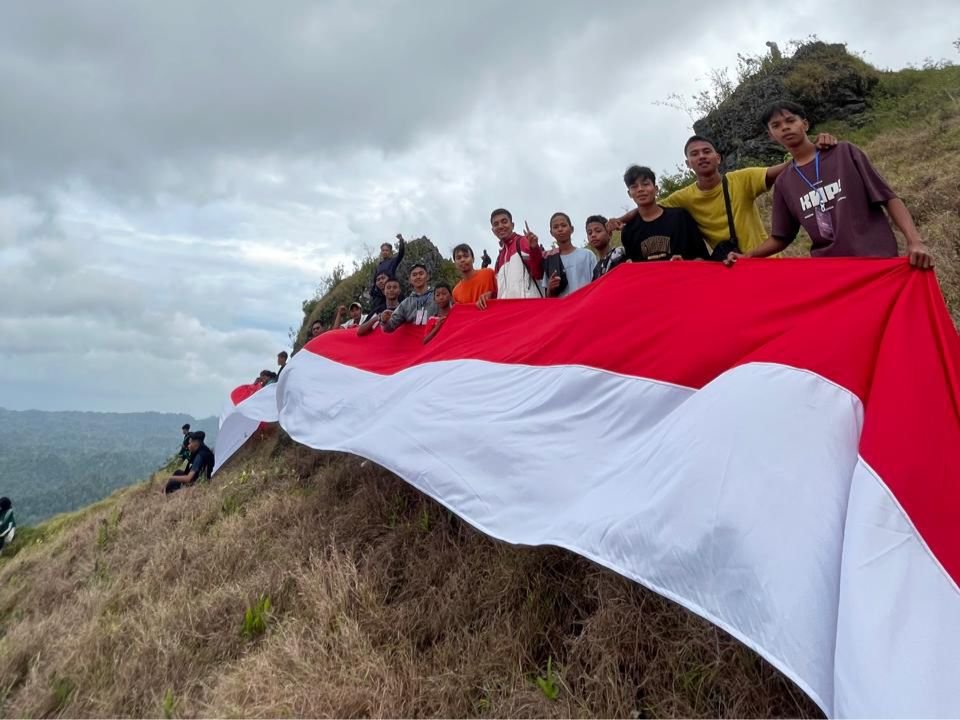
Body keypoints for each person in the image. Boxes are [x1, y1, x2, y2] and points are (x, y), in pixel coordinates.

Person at [725, 101, 934, 268]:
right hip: (830, 270)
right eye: (776, 126)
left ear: (805, 124)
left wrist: (915, 241)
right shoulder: (784, 182)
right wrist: (748, 256)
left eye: (790, 120)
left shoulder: (844, 152)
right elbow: (782, 237)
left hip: (876, 260)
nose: (785, 127)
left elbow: (888, 198)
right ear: (771, 136)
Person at [608, 132, 838, 260]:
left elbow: (785, 169)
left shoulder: (742, 179)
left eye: (707, 151)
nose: (702, 157)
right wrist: (621, 221)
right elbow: (648, 206)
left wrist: (813, 148)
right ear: (688, 164)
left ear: (718, 157)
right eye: (695, 154)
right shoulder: (685, 197)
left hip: (765, 263)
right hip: (729, 268)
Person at [619, 166, 708, 262]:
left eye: (645, 184)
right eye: (634, 187)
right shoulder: (628, 232)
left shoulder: (680, 217)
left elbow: (703, 257)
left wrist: (685, 264)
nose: (640, 189)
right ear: (629, 193)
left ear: (656, 189)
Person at [491, 208, 544, 298]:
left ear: (512, 225)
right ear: (493, 230)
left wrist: (534, 249)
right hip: (509, 310)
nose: (500, 226)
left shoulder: (524, 242)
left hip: (530, 308)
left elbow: (539, 273)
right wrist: (489, 295)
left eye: (504, 222)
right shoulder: (499, 258)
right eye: (496, 224)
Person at [542, 212, 597, 297]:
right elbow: (548, 297)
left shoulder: (587, 255)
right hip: (563, 309)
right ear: (551, 233)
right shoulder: (550, 260)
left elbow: (597, 285)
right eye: (556, 227)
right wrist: (550, 288)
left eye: (563, 225)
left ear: (571, 229)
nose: (560, 229)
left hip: (586, 306)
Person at [383, 263, 438, 332]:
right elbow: (389, 328)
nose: (418, 277)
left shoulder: (438, 296)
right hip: (415, 341)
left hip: (436, 339)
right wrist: (384, 321)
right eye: (414, 275)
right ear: (410, 280)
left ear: (427, 277)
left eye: (421, 274)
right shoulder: (405, 303)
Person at [452, 243, 498, 307]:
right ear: (455, 263)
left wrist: (492, 294)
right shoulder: (455, 292)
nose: (462, 260)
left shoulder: (489, 273)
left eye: (466, 256)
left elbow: (504, 292)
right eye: (458, 258)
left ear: (473, 259)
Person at [370, 234, 406, 311]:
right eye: (383, 250)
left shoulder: (393, 261)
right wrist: (373, 291)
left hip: (390, 289)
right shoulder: (379, 265)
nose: (385, 252)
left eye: (387, 250)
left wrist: (401, 241)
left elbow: (401, 253)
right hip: (380, 293)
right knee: (377, 310)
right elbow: (375, 279)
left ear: (390, 252)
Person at [586, 215, 626, 280]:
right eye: (589, 233)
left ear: (609, 234)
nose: (593, 235)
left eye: (598, 231)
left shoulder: (620, 253)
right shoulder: (596, 269)